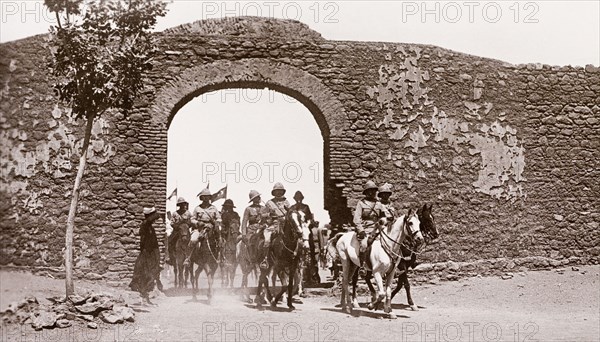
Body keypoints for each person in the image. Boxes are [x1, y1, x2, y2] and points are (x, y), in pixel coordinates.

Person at [129, 207, 164, 305]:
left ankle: (146, 299)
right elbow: (148, 221)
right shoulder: (145, 225)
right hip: (146, 255)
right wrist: (156, 215)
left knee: (150, 276)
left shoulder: (150, 227)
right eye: (153, 215)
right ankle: (144, 299)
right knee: (145, 275)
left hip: (150, 255)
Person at [185, 188, 222, 265]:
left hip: (211, 228)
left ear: (209, 197)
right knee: (193, 240)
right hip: (199, 229)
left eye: (207, 196)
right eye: (204, 196)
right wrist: (198, 223)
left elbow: (219, 218)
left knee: (221, 240)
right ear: (202, 198)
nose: (206, 198)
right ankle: (188, 258)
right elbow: (192, 219)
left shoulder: (214, 208)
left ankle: (222, 257)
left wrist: (215, 223)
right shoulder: (197, 208)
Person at [353, 180, 386, 257]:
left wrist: (382, 221)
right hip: (366, 229)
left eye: (374, 190)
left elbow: (384, 216)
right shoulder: (361, 203)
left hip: (378, 229)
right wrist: (361, 231)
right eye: (370, 190)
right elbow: (356, 219)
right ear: (366, 192)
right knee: (364, 245)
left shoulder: (379, 203)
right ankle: (362, 266)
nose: (372, 192)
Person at [261, 182, 290, 248]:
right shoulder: (269, 203)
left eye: (281, 191)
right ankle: (266, 256)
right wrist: (269, 214)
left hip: (286, 224)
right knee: (267, 238)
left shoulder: (286, 202)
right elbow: (262, 215)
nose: (279, 192)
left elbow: (290, 212)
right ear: (274, 192)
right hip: (274, 224)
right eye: (277, 191)